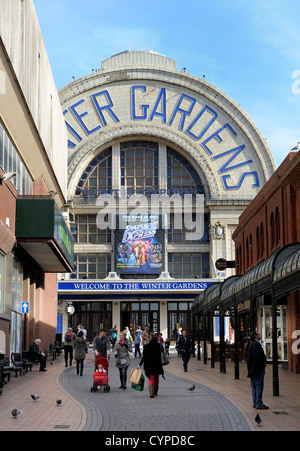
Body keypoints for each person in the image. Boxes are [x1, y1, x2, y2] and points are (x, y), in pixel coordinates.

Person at [246, 331, 268, 410]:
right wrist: (263, 364)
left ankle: (255, 402)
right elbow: (257, 357)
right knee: (259, 385)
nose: (260, 335)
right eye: (258, 334)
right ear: (256, 336)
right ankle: (258, 403)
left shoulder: (250, 344)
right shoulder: (255, 344)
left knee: (254, 386)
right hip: (257, 369)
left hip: (253, 369)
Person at [138, 332, 164, 398]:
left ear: (151, 338)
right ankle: (155, 392)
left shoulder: (147, 346)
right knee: (156, 378)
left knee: (151, 378)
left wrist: (140, 364)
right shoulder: (159, 345)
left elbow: (144, 357)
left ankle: (151, 393)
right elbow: (162, 354)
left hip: (149, 364)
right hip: (158, 364)